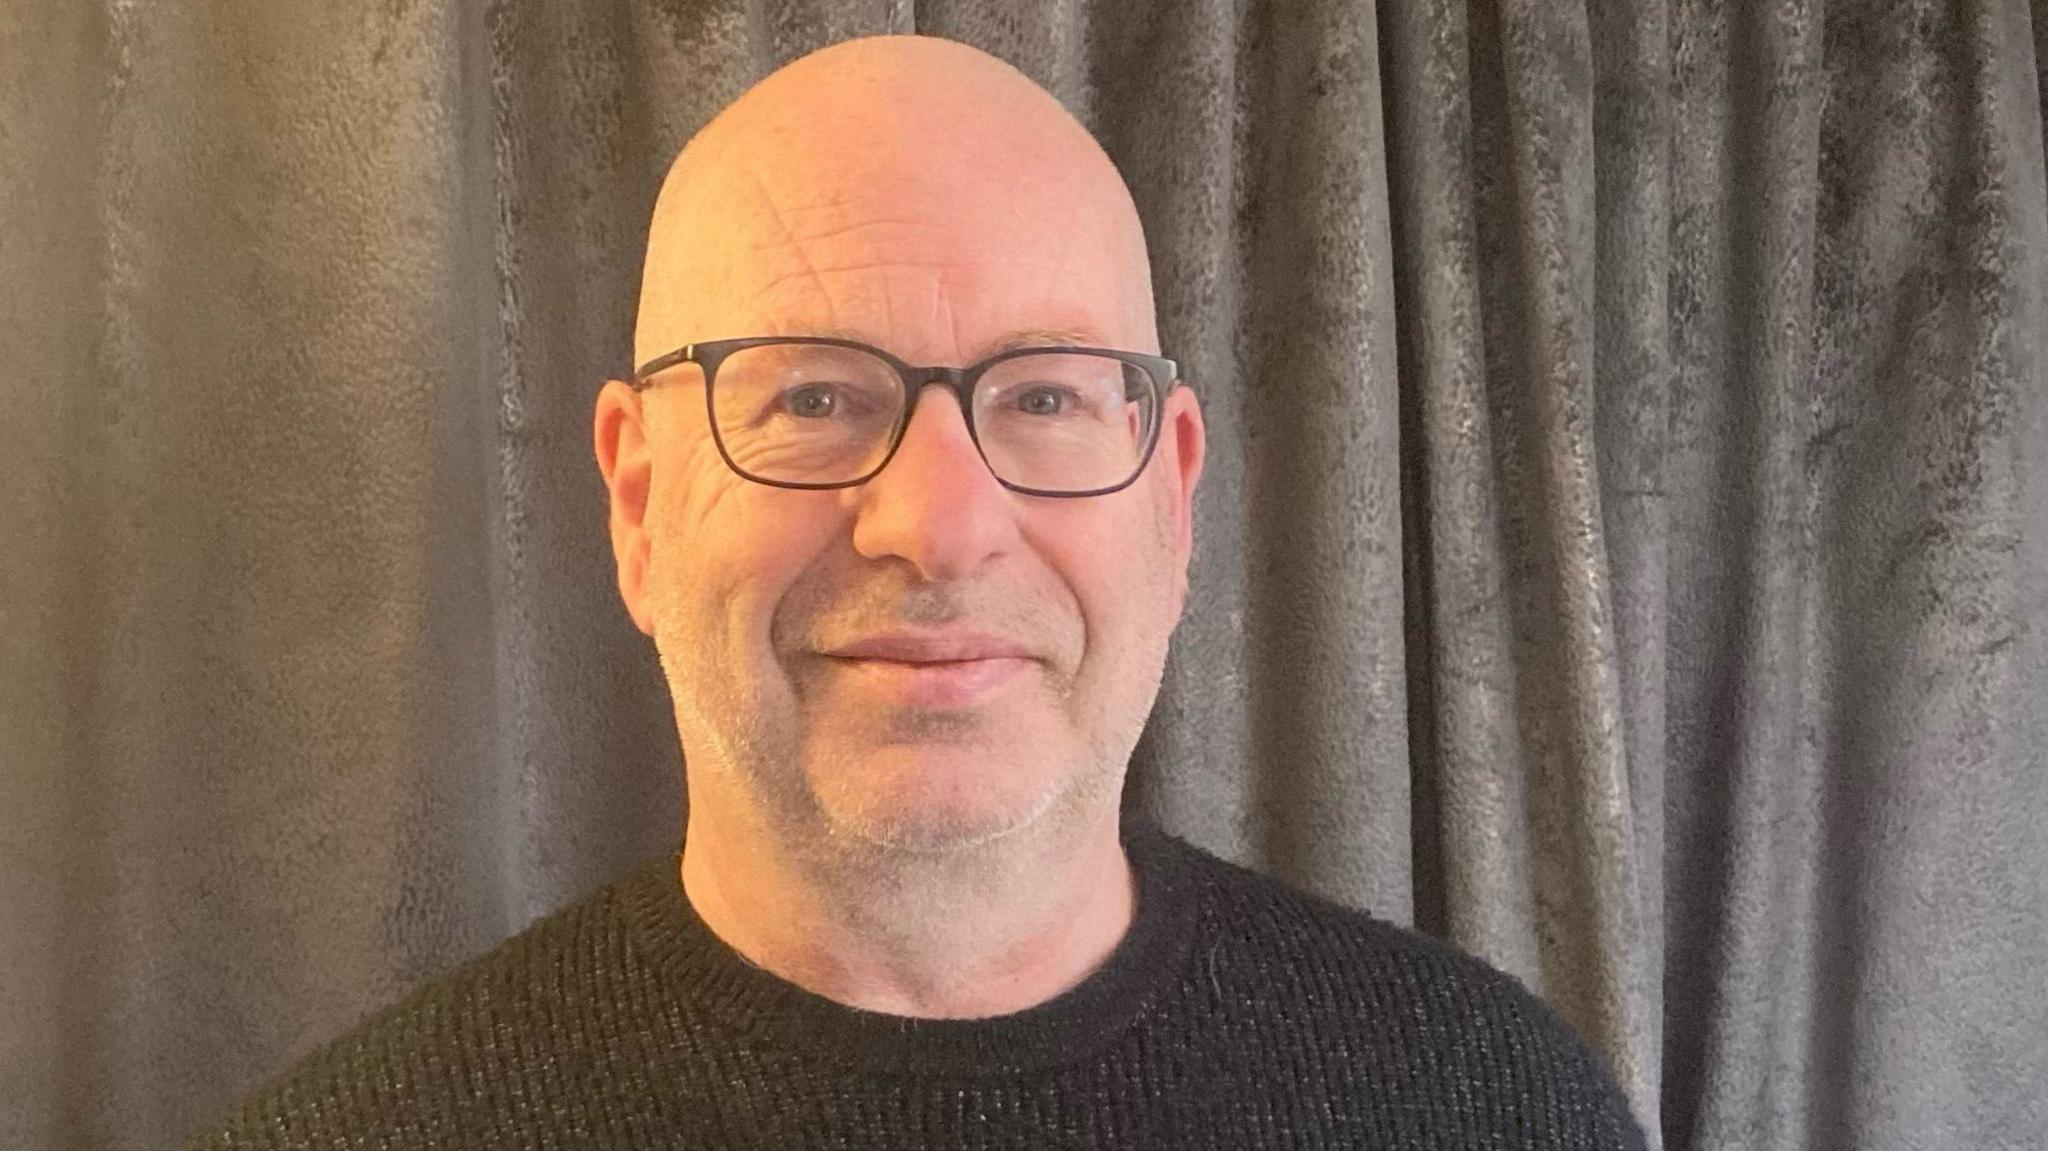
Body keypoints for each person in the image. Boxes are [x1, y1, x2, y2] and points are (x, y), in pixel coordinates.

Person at [187, 33, 1646, 1150]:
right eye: (813, 394)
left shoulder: (1497, 1108)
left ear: (1174, 499)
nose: (941, 525)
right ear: (639, 501)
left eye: (1049, 400)